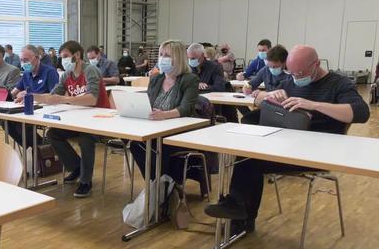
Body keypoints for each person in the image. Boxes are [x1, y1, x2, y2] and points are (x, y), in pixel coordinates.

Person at [205, 45, 370, 234]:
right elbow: (257, 99)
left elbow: (361, 112)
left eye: (300, 74)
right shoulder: (291, 82)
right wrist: (269, 95)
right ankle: (240, 214)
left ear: (316, 64)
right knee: (249, 151)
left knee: (254, 159)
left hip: (319, 152)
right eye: (291, 73)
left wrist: (315, 105)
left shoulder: (338, 84)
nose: (296, 79)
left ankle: (239, 211)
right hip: (288, 144)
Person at [34, 40, 111, 198]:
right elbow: (53, 96)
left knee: (85, 139)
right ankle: (76, 167)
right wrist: (32, 96)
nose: (63, 60)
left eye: (66, 56)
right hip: (79, 119)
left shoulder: (90, 70)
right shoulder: (67, 75)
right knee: (52, 134)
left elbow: (92, 99)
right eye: (62, 57)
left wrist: (64, 99)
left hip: (100, 120)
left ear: (77, 55)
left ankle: (85, 181)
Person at [129, 40, 200, 181]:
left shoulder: (190, 79)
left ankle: (163, 186)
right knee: (135, 144)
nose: (162, 58)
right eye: (161, 54)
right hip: (154, 129)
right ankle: (157, 184)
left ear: (178, 58)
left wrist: (164, 115)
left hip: (178, 132)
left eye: (166, 55)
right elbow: (148, 103)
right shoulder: (156, 79)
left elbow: (186, 108)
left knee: (157, 147)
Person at [7, 45, 59, 148]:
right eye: (22, 60)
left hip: (46, 109)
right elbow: (13, 92)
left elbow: (55, 96)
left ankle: (40, 147)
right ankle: (37, 147)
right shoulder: (26, 74)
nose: (23, 63)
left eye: (26, 60)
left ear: (37, 58)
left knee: (22, 124)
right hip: (28, 109)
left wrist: (30, 95)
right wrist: (1, 94)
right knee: (6, 121)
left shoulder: (50, 72)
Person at [240, 45, 292, 124]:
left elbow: (287, 95)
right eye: (269, 66)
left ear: (284, 63)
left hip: (285, 110)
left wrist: (263, 94)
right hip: (269, 108)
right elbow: (251, 84)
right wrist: (247, 87)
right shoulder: (266, 70)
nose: (272, 69)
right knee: (247, 119)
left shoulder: (291, 74)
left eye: (275, 66)